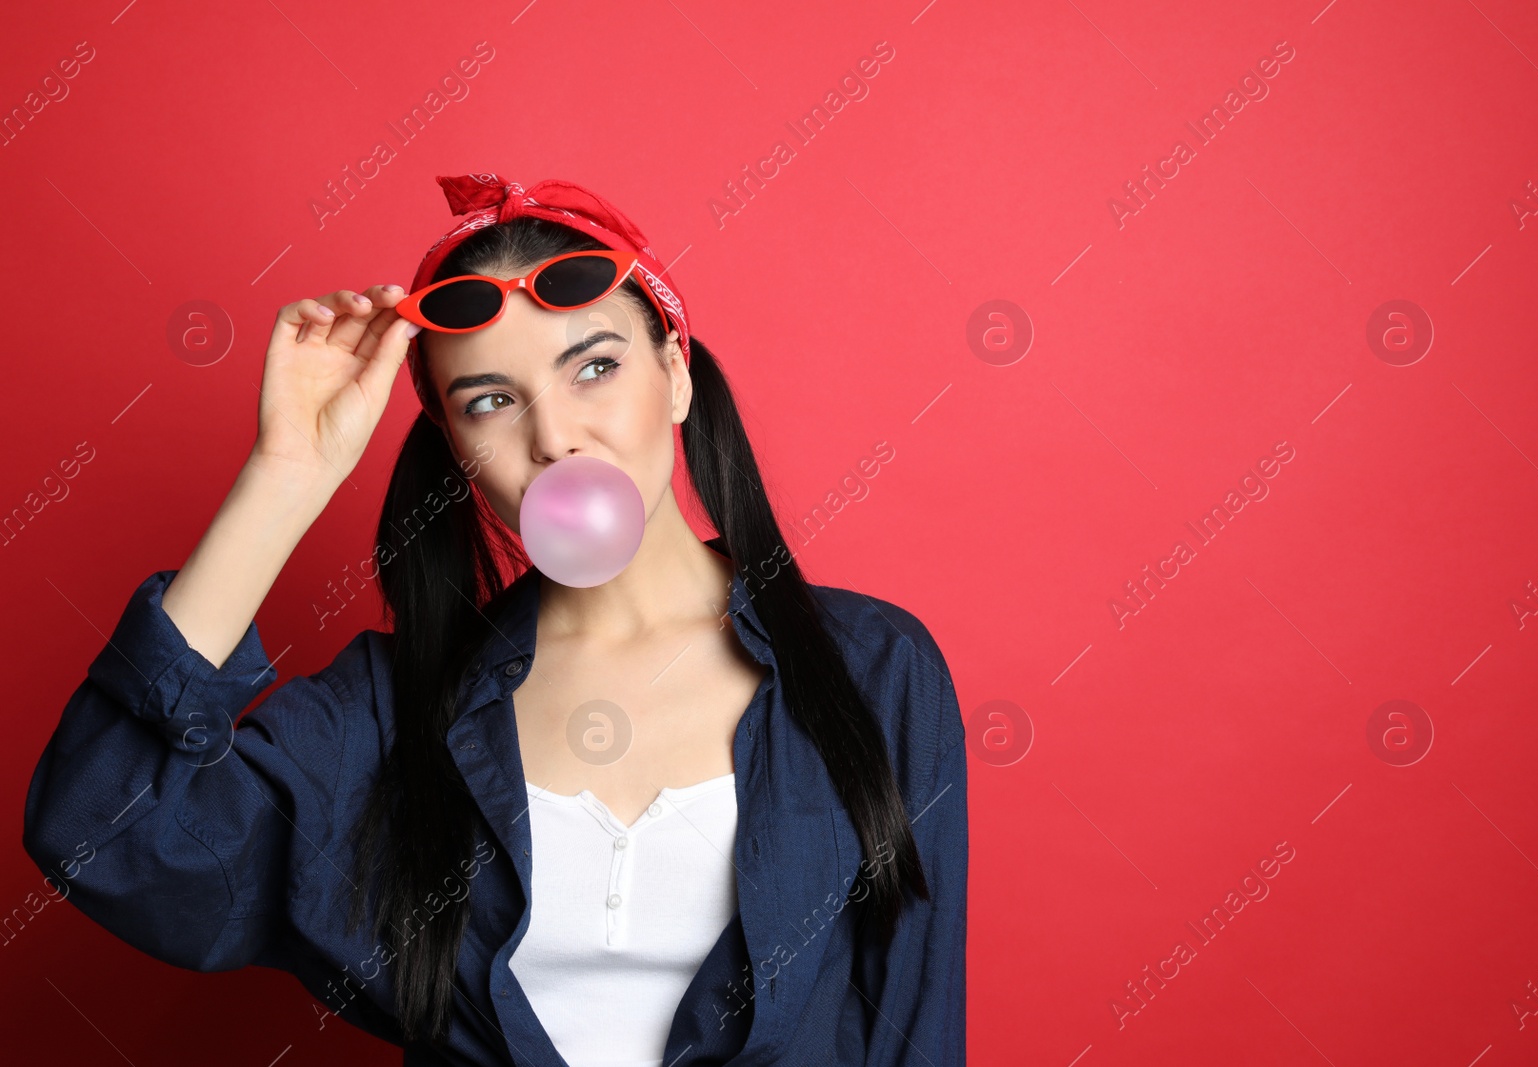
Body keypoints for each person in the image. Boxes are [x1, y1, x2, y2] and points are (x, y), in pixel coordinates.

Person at [22, 174, 967, 1067]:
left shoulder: (871, 669)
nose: (553, 438)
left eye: (594, 366)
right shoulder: (394, 713)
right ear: (455, 447)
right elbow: (102, 832)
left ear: (675, 373)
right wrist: (285, 478)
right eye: (492, 401)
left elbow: (915, 1025)